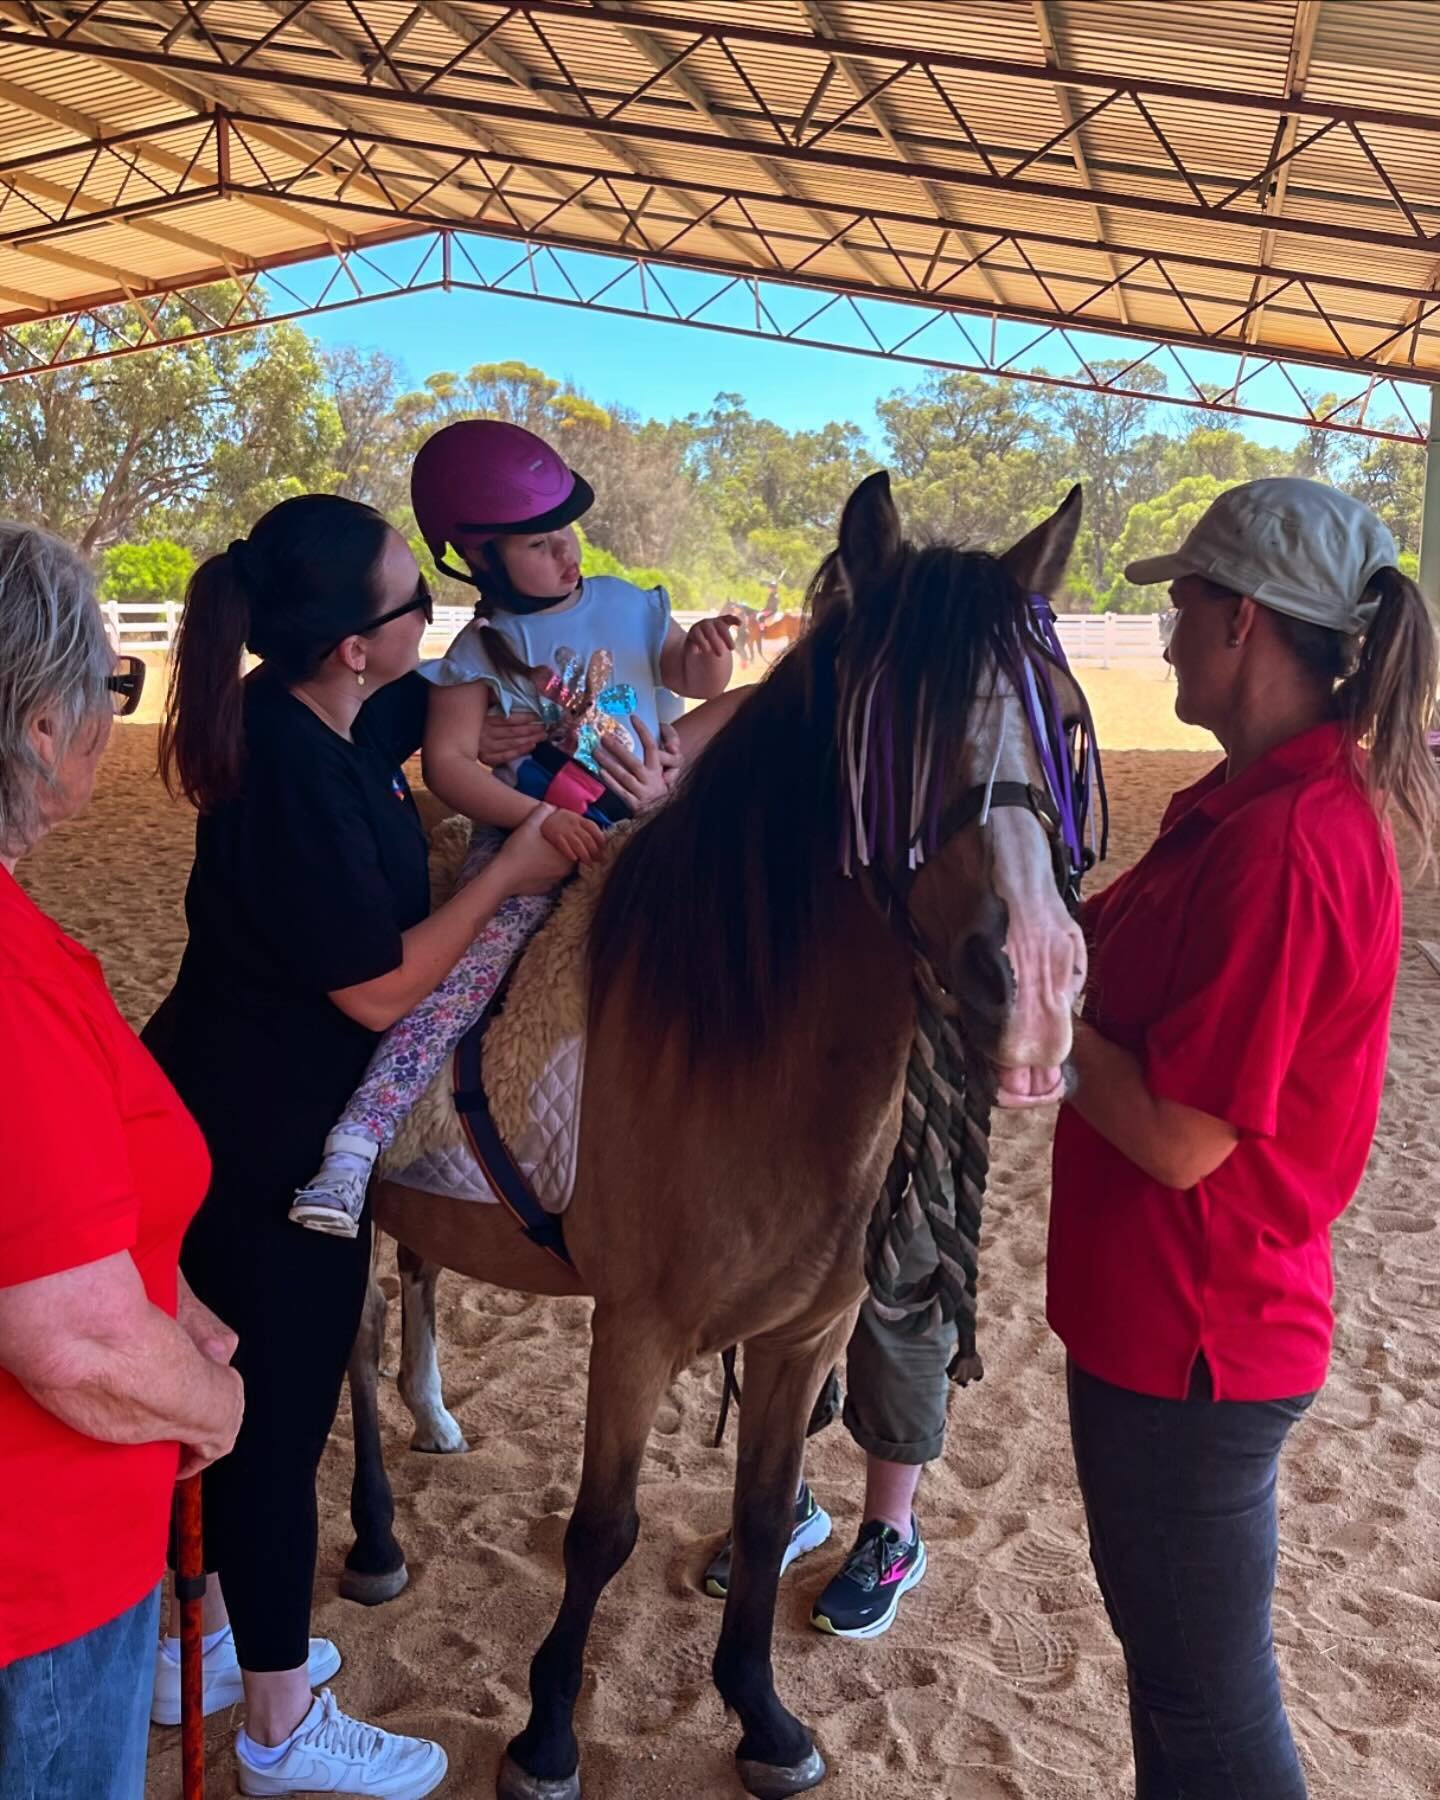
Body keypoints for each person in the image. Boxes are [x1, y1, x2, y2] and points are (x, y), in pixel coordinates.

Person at [144, 494, 573, 1799]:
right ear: (351, 645)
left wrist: (505, 731)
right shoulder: (293, 778)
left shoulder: (314, 718)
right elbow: (379, 990)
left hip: (230, 1099)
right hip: (259, 1141)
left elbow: (418, 727)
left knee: (253, 1413)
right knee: (274, 1432)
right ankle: (277, 1730)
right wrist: (511, 872)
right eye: (409, 605)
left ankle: (198, 1648)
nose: (428, 617)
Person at [1048, 478, 1439, 1798]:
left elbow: (1178, 1139)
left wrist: (1031, 1019)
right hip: (1163, 1323)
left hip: (1196, 1335)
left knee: (1211, 1712)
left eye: (1181, 602)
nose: (1162, 630)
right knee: (1179, 1684)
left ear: (1243, 623)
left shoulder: (1285, 840)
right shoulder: (1241, 807)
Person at [291, 419, 734, 1234]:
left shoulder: (630, 605)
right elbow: (449, 765)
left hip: (650, 813)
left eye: (564, 534)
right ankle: (357, 1145)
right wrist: (538, 821)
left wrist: (707, 657)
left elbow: (691, 680)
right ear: (482, 557)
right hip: (537, 834)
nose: (565, 553)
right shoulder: (480, 651)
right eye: (537, 544)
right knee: (462, 983)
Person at [0, 523, 243, 1800]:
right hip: (34, 1581)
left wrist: (170, 1303)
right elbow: (74, 1339)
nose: (114, 713)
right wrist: (212, 1407)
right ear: (41, 725)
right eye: (110, 686)